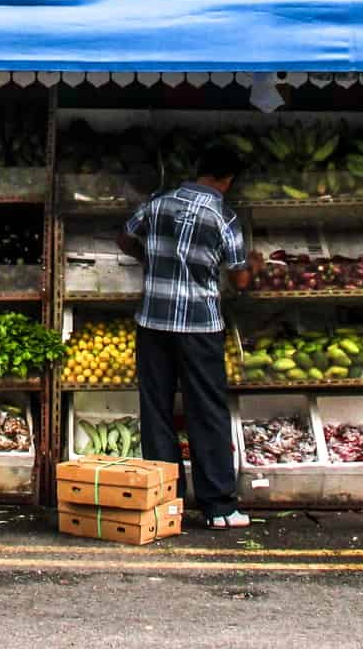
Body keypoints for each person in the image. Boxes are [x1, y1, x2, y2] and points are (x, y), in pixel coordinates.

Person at [117, 141, 253, 530]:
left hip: (153, 322)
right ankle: (219, 507)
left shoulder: (159, 203)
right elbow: (240, 279)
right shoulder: (223, 217)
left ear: (198, 168)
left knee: (156, 410)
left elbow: (124, 238)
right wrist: (253, 264)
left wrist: (151, 260)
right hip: (199, 326)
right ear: (228, 180)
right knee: (206, 410)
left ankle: (165, 501)